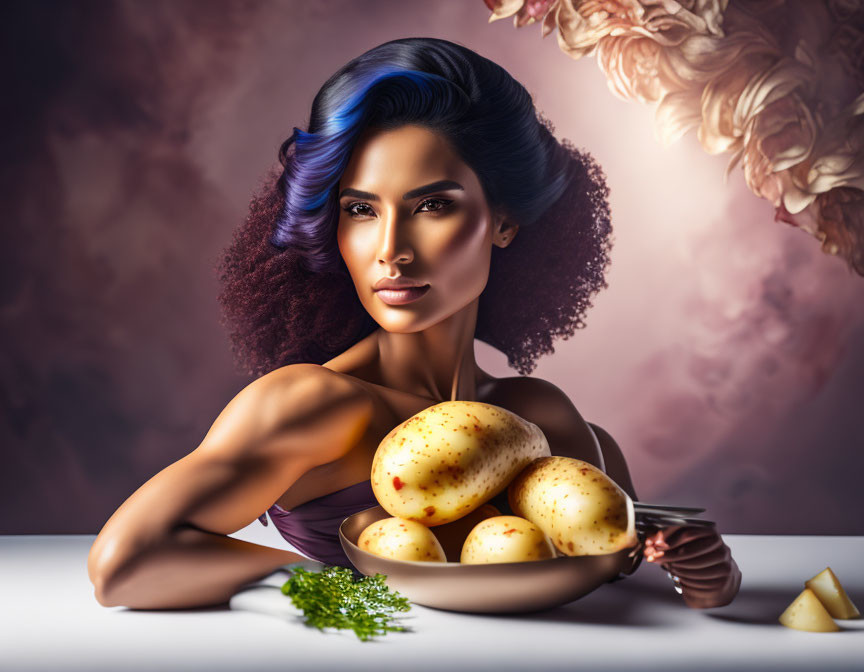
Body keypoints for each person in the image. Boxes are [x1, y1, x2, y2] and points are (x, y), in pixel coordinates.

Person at [87, 37, 740, 611]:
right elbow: (122, 566)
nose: (391, 249)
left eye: (433, 204)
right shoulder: (310, 404)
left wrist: (707, 579)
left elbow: (621, 565)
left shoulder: (544, 417)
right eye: (361, 209)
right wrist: (329, 585)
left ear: (504, 222)